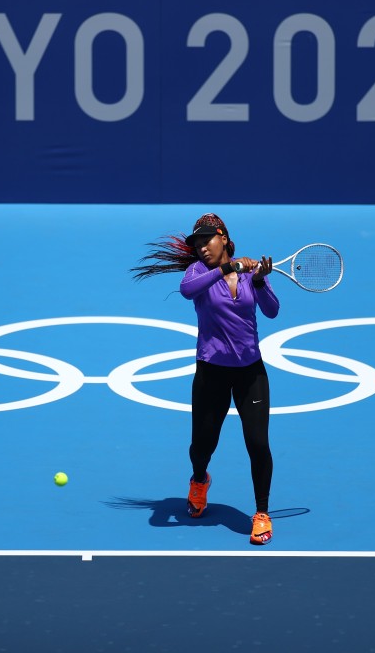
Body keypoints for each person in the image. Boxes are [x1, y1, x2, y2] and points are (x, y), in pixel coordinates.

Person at [131, 213, 280, 545]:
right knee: (202, 446)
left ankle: (261, 512)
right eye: (196, 243)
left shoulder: (251, 274)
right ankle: (199, 480)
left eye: (206, 240)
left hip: (250, 372)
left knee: (257, 443)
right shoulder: (198, 273)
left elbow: (272, 310)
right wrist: (228, 269)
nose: (201, 248)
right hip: (211, 372)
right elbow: (187, 291)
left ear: (223, 238)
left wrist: (257, 281)